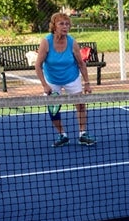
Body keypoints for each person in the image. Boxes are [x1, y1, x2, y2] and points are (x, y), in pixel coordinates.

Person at [34, 11, 96, 147]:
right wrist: (44, 85)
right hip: (52, 80)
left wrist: (87, 83)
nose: (65, 26)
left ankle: (82, 134)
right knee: (53, 109)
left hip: (71, 77)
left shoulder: (72, 42)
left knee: (80, 104)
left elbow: (81, 63)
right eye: (61, 23)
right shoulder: (46, 42)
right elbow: (38, 65)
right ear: (54, 26)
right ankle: (62, 134)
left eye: (67, 24)